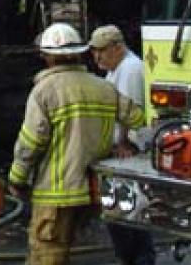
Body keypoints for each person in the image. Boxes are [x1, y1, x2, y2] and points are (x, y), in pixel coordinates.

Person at [8, 22, 145, 265]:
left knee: (47, 255)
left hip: (55, 195)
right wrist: (131, 148)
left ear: (47, 56)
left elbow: (30, 143)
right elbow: (140, 119)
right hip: (93, 191)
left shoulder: (44, 91)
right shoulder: (104, 88)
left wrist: (17, 179)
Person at [90, 24, 157, 265]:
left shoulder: (130, 68)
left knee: (131, 210)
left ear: (117, 47)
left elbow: (130, 111)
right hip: (121, 151)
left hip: (130, 151)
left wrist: (121, 143)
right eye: (94, 52)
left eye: (102, 51)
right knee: (121, 210)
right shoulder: (115, 70)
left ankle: (139, 258)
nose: (97, 57)